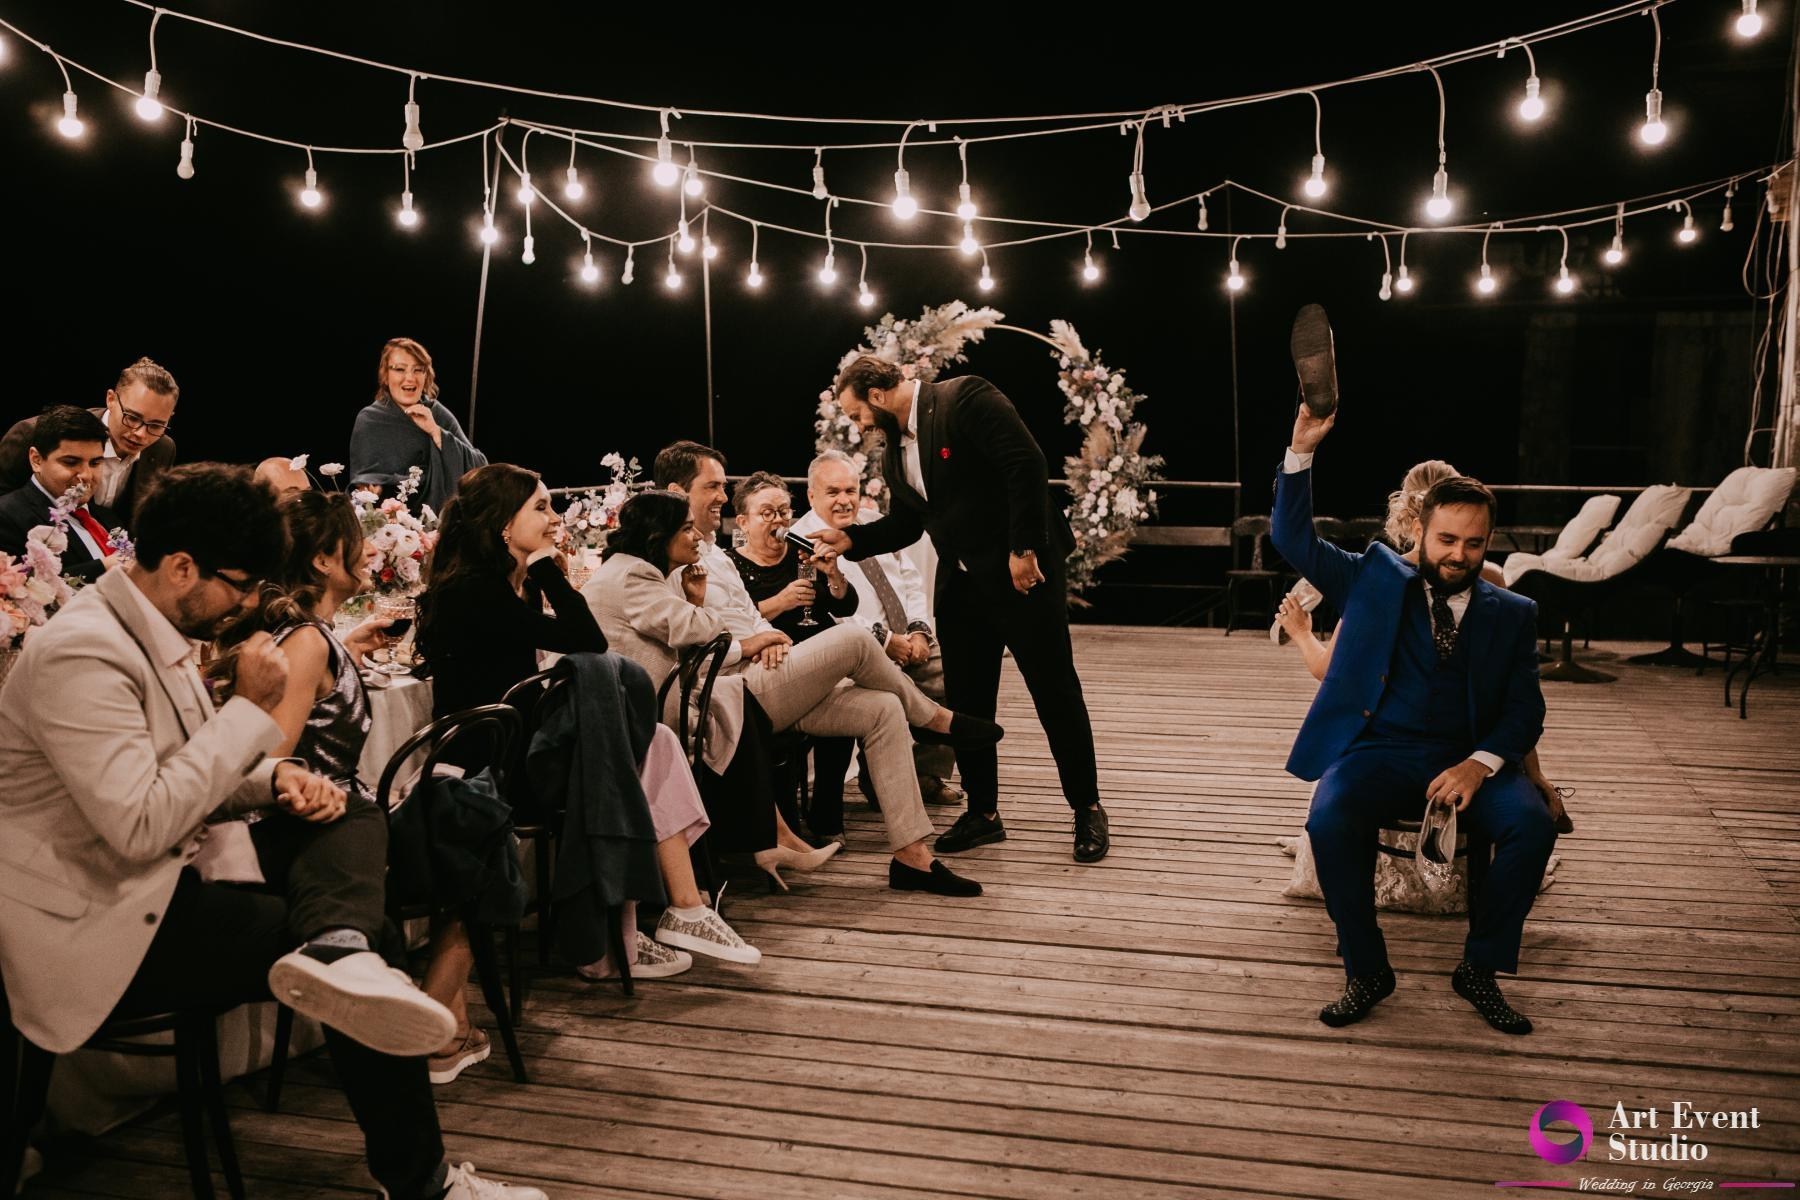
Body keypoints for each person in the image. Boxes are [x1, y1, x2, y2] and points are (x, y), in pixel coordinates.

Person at [0, 463, 544, 1200]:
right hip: (100, 916)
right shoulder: (84, 651)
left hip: (162, 875)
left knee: (346, 808)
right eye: (239, 583)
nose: (249, 602)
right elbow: (141, 824)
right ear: (181, 567)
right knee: (378, 940)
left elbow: (182, 776)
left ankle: (340, 949)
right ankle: (421, 1178)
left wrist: (275, 779)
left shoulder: (147, 631)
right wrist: (249, 712)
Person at [1271, 308, 1558, 1035]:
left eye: (1473, 544)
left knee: (1530, 825)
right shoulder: (1373, 577)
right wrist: (1301, 450)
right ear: (1420, 531)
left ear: (1488, 542)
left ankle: (1479, 969)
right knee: (1330, 815)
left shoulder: (1512, 613)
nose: (1459, 555)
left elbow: (1526, 711)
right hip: (1381, 749)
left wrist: (1481, 765)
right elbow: (1292, 537)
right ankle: (1366, 968)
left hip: (1468, 756)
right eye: (1447, 539)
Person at [416, 464, 755, 999]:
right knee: (624, 752)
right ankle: (652, 924)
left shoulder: (508, 588)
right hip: (491, 765)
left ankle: (670, 916)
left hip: (523, 744)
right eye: (541, 507)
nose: (554, 518)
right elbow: (587, 640)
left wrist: (540, 574)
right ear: (504, 523)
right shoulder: (475, 591)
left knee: (645, 743)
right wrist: (548, 571)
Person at [590, 484, 984, 897]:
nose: (721, 499)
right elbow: (701, 635)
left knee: (883, 708)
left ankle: (911, 857)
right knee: (853, 640)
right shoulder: (642, 573)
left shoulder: (694, 563)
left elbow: (731, 623)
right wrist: (742, 634)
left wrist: (767, 637)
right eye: (712, 489)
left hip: (747, 676)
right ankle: (931, 719)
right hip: (715, 693)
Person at [817, 358, 1109, 864]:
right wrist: (851, 540)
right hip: (963, 583)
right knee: (969, 699)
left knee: (1054, 689)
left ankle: (1087, 807)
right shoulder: (893, 453)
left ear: (877, 396)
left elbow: (1026, 464)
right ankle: (983, 813)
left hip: (1023, 573)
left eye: (857, 413)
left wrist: (1023, 549)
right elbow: (906, 525)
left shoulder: (964, 398)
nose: (859, 424)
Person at [793, 450, 963, 812]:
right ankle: (876, 780)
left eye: (850, 490)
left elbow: (911, 579)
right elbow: (824, 612)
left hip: (907, 635)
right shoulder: (801, 541)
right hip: (859, 649)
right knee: (886, 692)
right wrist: (886, 641)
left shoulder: (874, 525)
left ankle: (927, 774)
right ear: (811, 495)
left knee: (953, 676)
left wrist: (918, 630)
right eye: (833, 492)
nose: (844, 500)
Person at [0, 358, 179, 532]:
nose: (141, 434)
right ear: (110, 399)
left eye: (156, 425)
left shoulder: (163, 449)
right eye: (132, 417)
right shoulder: (31, 434)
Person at [349, 338, 487, 513]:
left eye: (418, 370)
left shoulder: (437, 414)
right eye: (400, 369)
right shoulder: (369, 420)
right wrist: (370, 489)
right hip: (387, 520)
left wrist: (436, 432)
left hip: (438, 520)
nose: (410, 378)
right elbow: (362, 481)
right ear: (385, 376)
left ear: (426, 376)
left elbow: (481, 468)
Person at [0, 405, 119, 581]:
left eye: (95, 463)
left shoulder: (109, 518)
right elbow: (23, 588)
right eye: (71, 462)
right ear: (36, 460)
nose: (86, 476)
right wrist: (104, 567)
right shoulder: (6, 517)